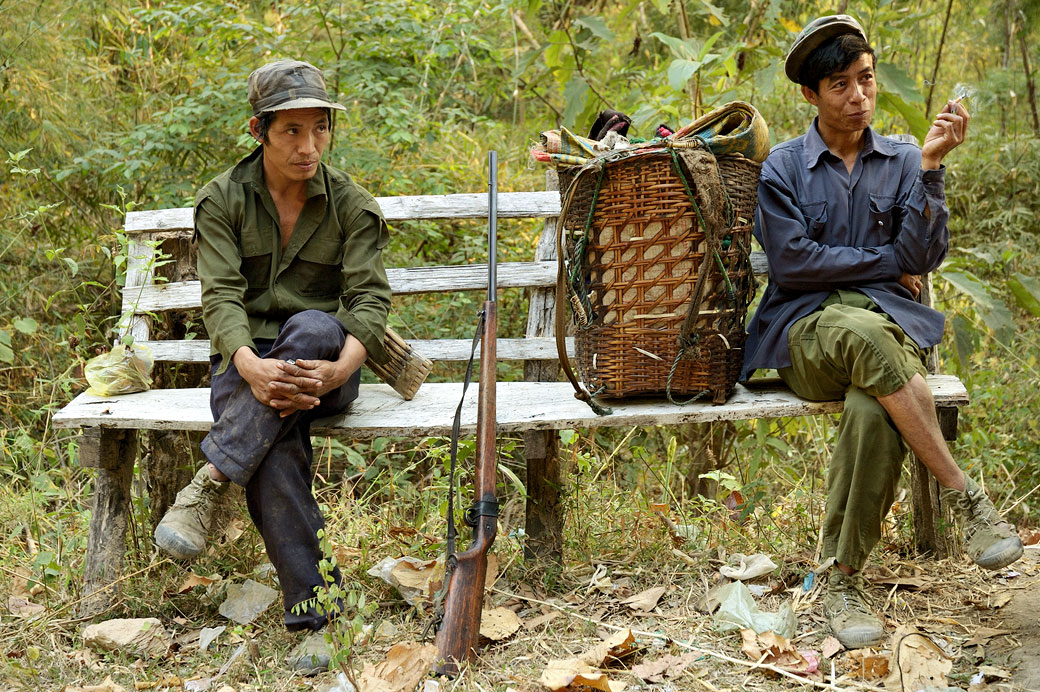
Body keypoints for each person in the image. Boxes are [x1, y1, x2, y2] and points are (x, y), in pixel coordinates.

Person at [742, 15, 1023, 648]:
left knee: (873, 411)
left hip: (888, 330)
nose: (859, 96)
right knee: (863, 335)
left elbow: (920, 256)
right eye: (840, 85)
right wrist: (886, 264)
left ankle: (840, 580)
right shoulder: (782, 168)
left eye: (865, 80)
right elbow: (792, 264)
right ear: (811, 95)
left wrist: (930, 165)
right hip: (804, 332)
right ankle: (964, 494)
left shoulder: (902, 160)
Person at [152, 59, 391, 672]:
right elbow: (221, 298)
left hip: (325, 371)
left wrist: (340, 371)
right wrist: (250, 366)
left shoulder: (352, 206)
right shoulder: (222, 199)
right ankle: (318, 615)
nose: (308, 146)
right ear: (258, 129)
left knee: (313, 327)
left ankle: (211, 482)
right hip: (246, 369)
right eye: (291, 131)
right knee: (275, 448)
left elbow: (368, 302)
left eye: (320, 129)